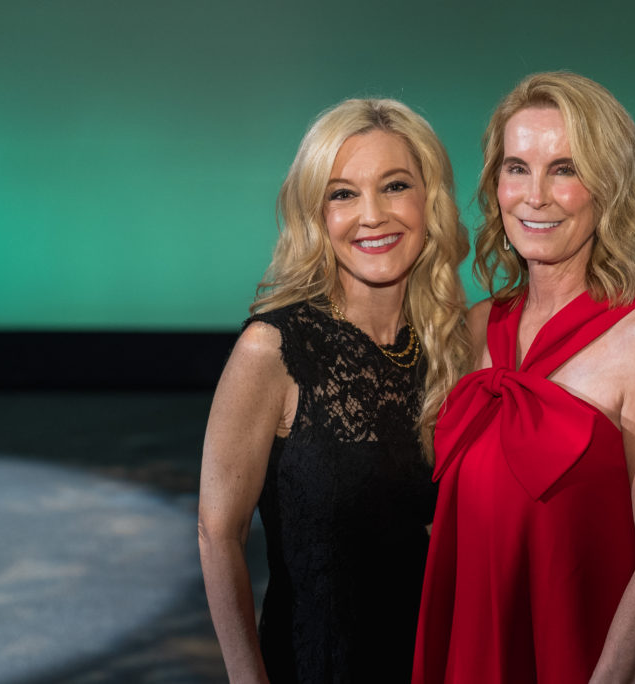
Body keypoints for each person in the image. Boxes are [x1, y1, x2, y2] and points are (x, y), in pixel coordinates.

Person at [412, 71, 635, 684]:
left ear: (608, 187)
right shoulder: (475, 326)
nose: (534, 195)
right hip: (473, 650)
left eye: (564, 169)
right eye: (516, 168)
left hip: (584, 659)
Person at [198, 98, 469, 684]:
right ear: (316, 214)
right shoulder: (272, 349)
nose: (372, 215)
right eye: (342, 193)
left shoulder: (453, 347)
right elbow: (218, 533)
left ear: (430, 201)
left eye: (395, 185)